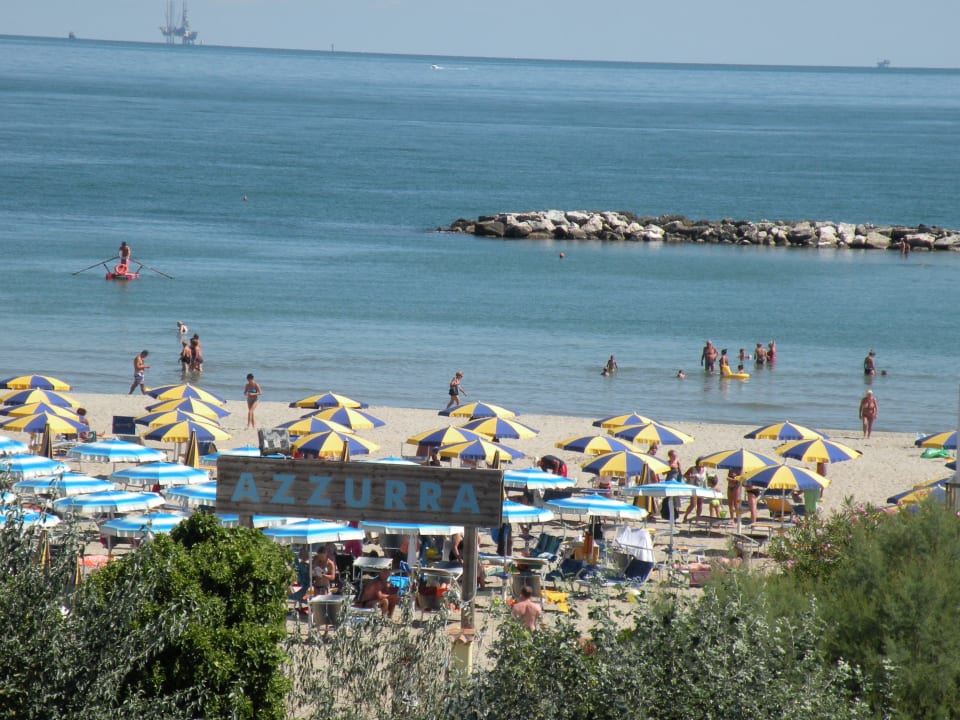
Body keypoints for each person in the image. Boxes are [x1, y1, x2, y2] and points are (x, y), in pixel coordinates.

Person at [682, 457, 707, 522]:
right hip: (693, 488)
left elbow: (705, 479)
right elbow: (684, 476)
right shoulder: (692, 469)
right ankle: (686, 516)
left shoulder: (704, 469)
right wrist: (690, 476)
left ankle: (697, 519)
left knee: (700, 504)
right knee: (693, 504)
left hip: (701, 489)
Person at [289, 546, 312, 615]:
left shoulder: (308, 565)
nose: (301, 555)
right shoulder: (302, 565)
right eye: (301, 554)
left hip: (307, 586)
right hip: (305, 586)